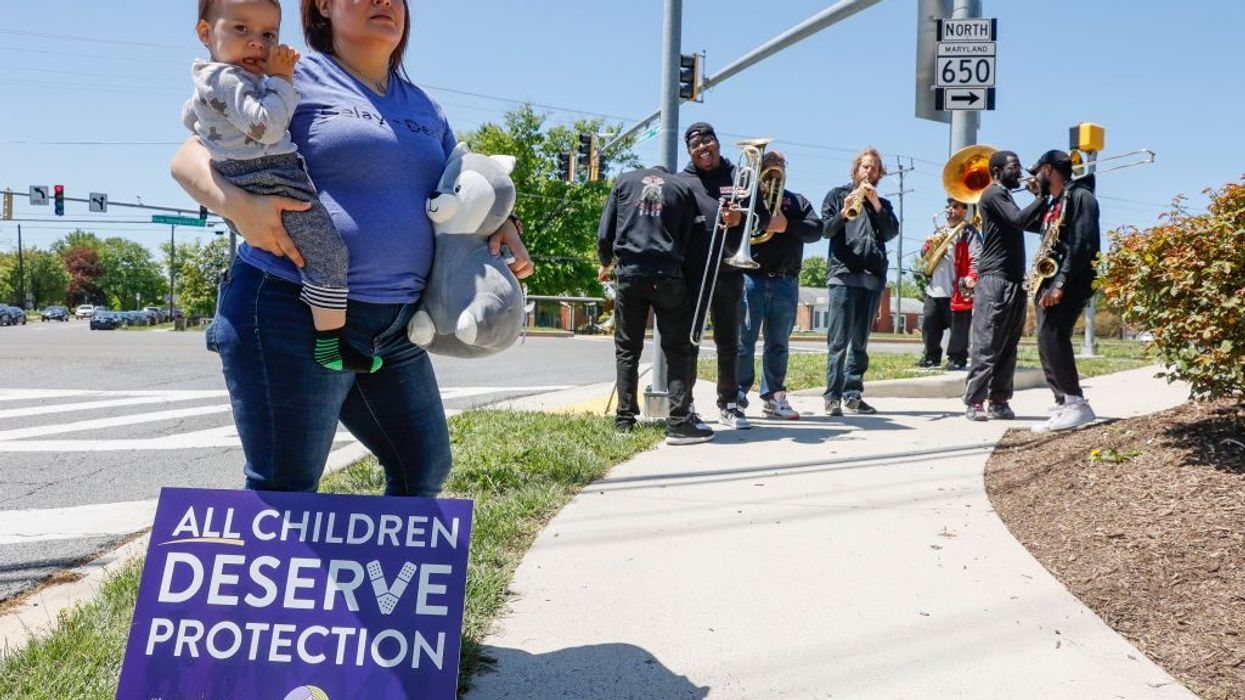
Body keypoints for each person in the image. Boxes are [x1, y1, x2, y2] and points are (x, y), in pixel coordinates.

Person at [171, 0, 533, 495]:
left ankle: (376, 576)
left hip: (395, 325)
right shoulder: (290, 71)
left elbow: (459, 184)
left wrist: (502, 221)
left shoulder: (424, 107)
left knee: (422, 469)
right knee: (285, 485)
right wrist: (236, 205)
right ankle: (288, 576)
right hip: (288, 306)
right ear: (323, 5)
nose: (386, 2)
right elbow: (190, 153)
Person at [185, 0, 380, 373]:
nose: (257, 43)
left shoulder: (215, 79)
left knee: (320, 253)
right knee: (327, 254)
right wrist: (282, 81)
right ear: (206, 33)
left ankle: (330, 333)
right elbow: (269, 126)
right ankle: (329, 345)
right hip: (271, 173)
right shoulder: (230, 79)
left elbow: (191, 117)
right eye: (241, 29)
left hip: (261, 170)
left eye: (268, 34)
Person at [597, 165, 713, 445]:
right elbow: (689, 237)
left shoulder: (623, 182)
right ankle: (678, 422)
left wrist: (605, 261)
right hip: (668, 272)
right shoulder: (681, 187)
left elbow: (605, 232)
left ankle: (624, 420)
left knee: (627, 348)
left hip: (630, 272)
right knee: (678, 350)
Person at [677, 122, 769, 430]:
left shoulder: (739, 175)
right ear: (689, 150)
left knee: (729, 342)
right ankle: (685, 403)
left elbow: (764, 219)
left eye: (708, 142)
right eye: (695, 145)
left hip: (729, 271)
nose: (703, 148)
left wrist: (740, 217)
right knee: (688, 341)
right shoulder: (682, 181)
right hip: (693, 273)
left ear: (718, 143)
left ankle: (729, 403)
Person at [736, 151, 823, 420]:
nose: (776, 168)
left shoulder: (797, 201)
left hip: (786, 280)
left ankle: (774, 396)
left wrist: (787, 225)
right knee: (744, 339)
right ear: (759, 167)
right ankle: (737, 394)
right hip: (752, 276)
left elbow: (816, 229)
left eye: (782, 164)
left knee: (778, 343)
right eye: (770, 163)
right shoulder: (747, 196)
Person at [963, 150, 1047, 422]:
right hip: (994, 279)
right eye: (1014, 167)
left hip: (1014, 279)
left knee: (1008, 344)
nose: (1020, 171)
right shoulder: (992, 193)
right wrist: (1042, 196)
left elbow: (1033, 225)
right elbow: (1019, 220)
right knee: (987, 342)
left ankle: (999, 400)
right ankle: (975, 401)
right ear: (997, 171)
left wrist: (1040, 198)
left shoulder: (1006, 197)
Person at [820, 147, 899, 416]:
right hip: (843, 275)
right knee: (838, 341)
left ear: (879, 174)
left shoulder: (883, 205)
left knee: (860, 343)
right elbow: (826, 230)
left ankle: (853, 394)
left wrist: (876, 205)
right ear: (856, 170)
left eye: (874, 168)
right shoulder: (837, 195)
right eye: (865, 166)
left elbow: (890, 233)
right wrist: (843, 212)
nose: (869, 171)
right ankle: (832, 396)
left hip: (872, 277)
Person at [1027, 150, 1100, 432]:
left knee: (1055, 335)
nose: (1034, 177)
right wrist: (1038, 197)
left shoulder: (1081, 197)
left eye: (1037, 172)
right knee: (1046, 338)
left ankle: (1077, 404)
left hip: (1072, 279)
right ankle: (1063, 403)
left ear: (1048, 170)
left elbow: (1083, 244)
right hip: (1053, 278)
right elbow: (1027, 224)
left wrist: (1060, 283)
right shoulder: (1057, 202)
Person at [917, 198, 980, 371]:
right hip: (935, 289)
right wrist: (927, 246)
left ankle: (957, 358)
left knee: (959, 330)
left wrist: (972, 276)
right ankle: (931, 356)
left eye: (955, 207)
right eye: (948, 206)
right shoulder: (940, 231)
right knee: (929, 325)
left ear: (964, 211)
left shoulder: (969, 232)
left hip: (957, 290)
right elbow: (925, 255)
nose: (950, 210)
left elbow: (977, 257)